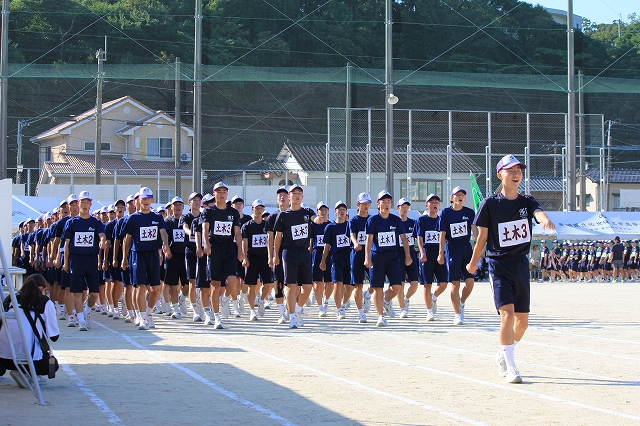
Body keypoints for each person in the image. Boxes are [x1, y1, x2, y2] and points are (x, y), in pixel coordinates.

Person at [466, 154, 555, 384]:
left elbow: (538, 212)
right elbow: (482, 238)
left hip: (520, 264)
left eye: (519, 171)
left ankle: (503, 353)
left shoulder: (527, 201)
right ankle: (511, 367)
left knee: (522, 322)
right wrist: (474, 262)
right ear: (500, 175)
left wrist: (544, 219)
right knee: (507, 314)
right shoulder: (489, 204)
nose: (516, 174)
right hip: (499, 264)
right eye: (511, 171)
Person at [121, 187, 171, 330]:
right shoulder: (133, 218)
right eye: (143, 198)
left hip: (153, 255)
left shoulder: (157, 217)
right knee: (140, 287)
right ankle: (142, 317)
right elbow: (127, 239)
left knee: (155, 289)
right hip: (138, 254)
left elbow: (163, 232)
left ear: (152, 200)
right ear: (138, 200)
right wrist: (124, 258)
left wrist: (165, 244)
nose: (145, 201)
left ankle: (148, 313)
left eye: (148, 198)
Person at [0, 274, 60, 387]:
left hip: (4, 359)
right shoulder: (45, 302)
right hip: (30, 359)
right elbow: (54, 336)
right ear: (43, 289)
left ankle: (16, 371)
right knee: (53, 365)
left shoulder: (10, 299)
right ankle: (26, 373)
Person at [364, 190, 412, 327]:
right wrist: (367, 258)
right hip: (377, 256)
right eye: (383, 201)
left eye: (389, 202)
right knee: (377, 287)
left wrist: (408, 256)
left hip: (393, 256)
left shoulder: (396, 220)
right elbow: (369, 240)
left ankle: (385, 301)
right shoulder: (373, 220)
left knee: (397, 286)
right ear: (378, 204)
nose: (386, 204)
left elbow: (404, 238)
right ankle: (380, 316)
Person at [200, 182, 245, 329]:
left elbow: (237, 232)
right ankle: (217, 317)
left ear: (227, 194)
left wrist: (240, 250)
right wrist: (206, 244)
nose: (221, 194)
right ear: (214, 194)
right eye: (218, 191)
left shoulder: (233, 212)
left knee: (233, 280)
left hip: (229, 248)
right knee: (215, 283)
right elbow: (205, 229)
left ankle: (225, 299)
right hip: (214, 248)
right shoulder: (209, 211)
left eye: (224, 191)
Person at [62, 191, 108, 331]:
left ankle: (86, 311)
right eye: (82, 202)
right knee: (76, 292)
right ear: (78, 203)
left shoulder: (95, 222)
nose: (85, 205)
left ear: (91, 204)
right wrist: (65, 262)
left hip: (91, 259)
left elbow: (102, 234)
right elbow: (67, 244)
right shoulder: (71, 223)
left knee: (94, 293)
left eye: (87, 202)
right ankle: (81, 320)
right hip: (76, 260)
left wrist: (102, 241)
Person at [272, 184, 316, 329]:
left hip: (304, 251)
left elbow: (314, 218)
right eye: (294, 193)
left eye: (299, 193)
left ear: (302, 196)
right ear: (289, 196)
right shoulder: (283, 215)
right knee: (291, 286)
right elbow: (278, 236)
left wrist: (318, 219)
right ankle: (291, 317)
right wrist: (275, 255)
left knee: (307, 287)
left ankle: (297, 310)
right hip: (289, 251)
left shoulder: (307, 212)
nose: (297, 195)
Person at [438, 186, 477, 325]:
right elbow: (442, 233)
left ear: (465, 198)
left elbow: (474, 229)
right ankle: (457, 314)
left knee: (470, 282)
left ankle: (461, 302)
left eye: (462, 195)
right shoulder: (446, 212)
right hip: (452, 247)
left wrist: (478, 244)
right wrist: (441, 252)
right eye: (457, 195)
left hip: (466, 247)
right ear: (452, 198)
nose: (460, 197)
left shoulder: (469, 212)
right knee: (455, 283)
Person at [415, 193, 449, 321]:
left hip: (439, 252)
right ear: (427, 205)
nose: (435, 204)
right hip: (427, 252)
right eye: (432, 202)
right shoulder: (422, 220)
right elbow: (419, 237)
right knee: (427, 284)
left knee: (444, 283)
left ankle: (433, 297)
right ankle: (429, 311)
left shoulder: (442, 219)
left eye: (437, 202)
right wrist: (422, 252)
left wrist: (441, 253)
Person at [240, 199, 273, 321]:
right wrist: (245, 258)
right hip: (252, 258)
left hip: (264, 257)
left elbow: (270, 241)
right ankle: (252, 310)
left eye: (261, 208)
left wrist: (271, 257)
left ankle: (262, 300)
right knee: (252, 286)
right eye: (257, 208)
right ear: (252, 209)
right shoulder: (247, 226)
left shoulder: (267, 225)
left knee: (269, 284)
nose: (259, 211)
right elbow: (244, 242)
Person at [319, 200, 351, 320]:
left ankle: (343, 303)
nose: (342, 211)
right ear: (335, 211)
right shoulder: (330, 227)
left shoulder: (350, 225)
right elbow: (326, 246)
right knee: (338, 284)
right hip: (336, 259)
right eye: (339, 209)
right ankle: (339, 309)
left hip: (349, 258)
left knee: (349, 287)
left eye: (344, 209)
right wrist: (323, 261)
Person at [347, 192, 373, 323]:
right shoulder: (353, 220)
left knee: (375, 281)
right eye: (363, 203)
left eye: (368, 203)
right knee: (358, 284)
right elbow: (352, 234)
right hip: (357, 254)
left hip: (371, 254)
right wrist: (356, 243)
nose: (366, 206)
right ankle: (361, 312)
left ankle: (367, 296)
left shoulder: (372, 219)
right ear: (358, 204)